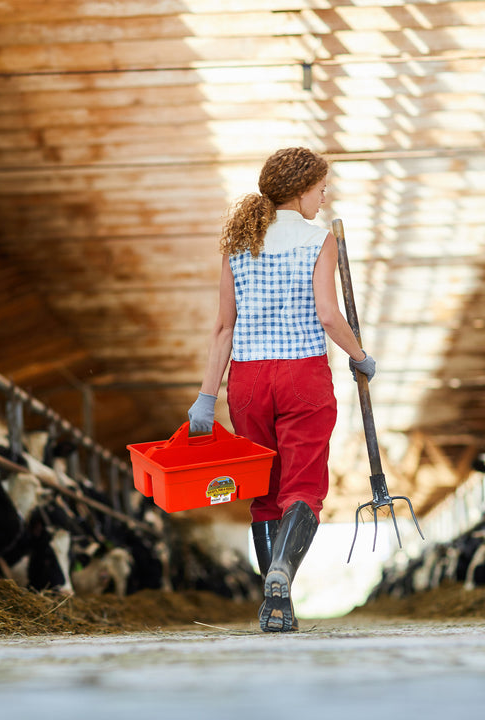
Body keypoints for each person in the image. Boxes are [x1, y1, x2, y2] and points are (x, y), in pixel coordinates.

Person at [187, 147, 375, 632]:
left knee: (265, 493)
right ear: (300, 189)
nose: (323, 195)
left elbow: (223, 328)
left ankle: (277, 606)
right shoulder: (318, 240)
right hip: (302, 376)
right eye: (320, 188)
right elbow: (330, 315)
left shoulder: (237, 244)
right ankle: (281, 572)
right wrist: (359, 357)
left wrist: (207, 397)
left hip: (248, 381)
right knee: (304, 489)